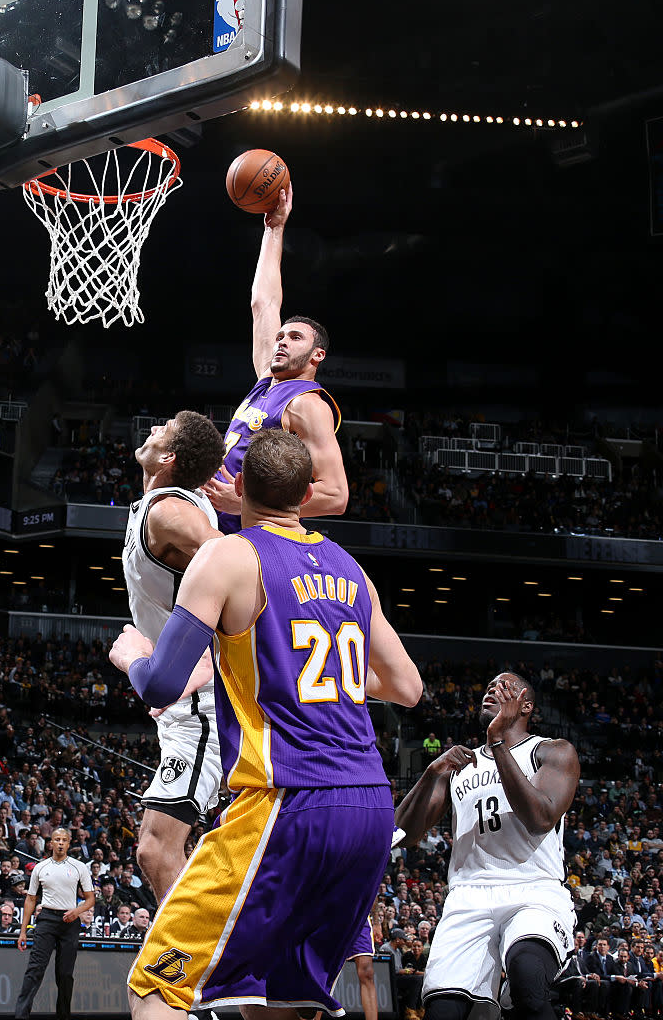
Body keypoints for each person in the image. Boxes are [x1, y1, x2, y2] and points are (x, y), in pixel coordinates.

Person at [111, 428, 421, 1019]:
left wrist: (132, 656)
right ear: (308, 493)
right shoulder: (350, 568)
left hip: (289, 801)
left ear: (237, 489)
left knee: (156, 985)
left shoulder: (229, 555)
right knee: (272, 1004)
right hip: (369, 812)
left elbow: (160, 683)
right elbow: (407, 687)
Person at [394, 672, 580, 1020]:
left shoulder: (552, 751)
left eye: (505, 687)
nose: (493, 689)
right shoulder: (460, 766)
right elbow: (403, 833)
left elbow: (540, 817)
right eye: (490, 685)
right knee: (443, 1011)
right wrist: (431, 774)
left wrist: (497, 742)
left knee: (527, 978)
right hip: (469, 894)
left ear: (526, 705)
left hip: (533, 890)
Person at [122, 411, 225, 900]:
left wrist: (196, 663)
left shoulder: (169, 512)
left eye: (159, 430)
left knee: (157, 850)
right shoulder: (175, 503)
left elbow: (237, 569)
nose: (149, 431)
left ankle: (190, 971)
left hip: (202, 704)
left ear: (169, 459)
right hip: (189, 699)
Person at [203, 185, 347, 533]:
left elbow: (336, 495)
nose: (281, 340)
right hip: (218, 526)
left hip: (254, 532)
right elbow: (264, 303)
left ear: (317, 355)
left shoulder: (307, 406)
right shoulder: (267, 381)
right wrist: (274, 227)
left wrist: (244, 504)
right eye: (280, 335)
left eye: (295, 337)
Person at [14, 828, 95, 1020]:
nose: (60, 843)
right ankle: (21, 1015)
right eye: (56, 839)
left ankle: (63, 1015)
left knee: (65, 974)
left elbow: (91, 899)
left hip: (70, 921)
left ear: (68, 844)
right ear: (50, 843)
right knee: (35, 969)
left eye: (64, 840)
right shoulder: (41, 867)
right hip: (47, 919)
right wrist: (23, 931)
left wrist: (77, 911)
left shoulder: (79, 867)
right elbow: (31, 900)